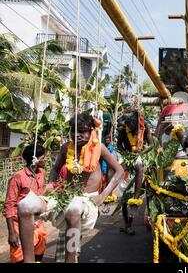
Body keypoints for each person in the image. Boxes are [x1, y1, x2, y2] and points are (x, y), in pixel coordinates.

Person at [16, 112, 124, 263]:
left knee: (73, 209)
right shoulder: (66, 147)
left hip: (87, 200)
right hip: (64, 196)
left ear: (91, 131)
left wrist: (102, 196)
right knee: (24, 205)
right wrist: (50, 185)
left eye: (82, 131)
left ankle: (70, 260)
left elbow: (119, 171)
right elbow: (55, 169)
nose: (77, 135)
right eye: (74, 131)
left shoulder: (98, 147)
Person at [3, 145, 48, 263]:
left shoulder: (42, 173)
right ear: (35, 159)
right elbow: (9, 205)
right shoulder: (18, 177)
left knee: (39, 252)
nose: (46, 159)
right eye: (43, 157)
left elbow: (42, 191)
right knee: (19, 257)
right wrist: (12, 233)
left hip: (37, 222)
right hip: (19, 224)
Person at [117, 109, 154, 235]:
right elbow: (119, 145)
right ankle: (126, 223)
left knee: (139, 166)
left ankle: (136, 196)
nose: (133, 129)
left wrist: (141, 153)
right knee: (123, 195)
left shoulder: (145, 126)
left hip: (140, 157)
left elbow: (151, 144)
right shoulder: (123, 129)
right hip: (126, 158)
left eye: (135, 127)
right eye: (130, 127)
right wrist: (126, 154)